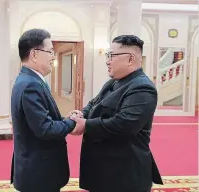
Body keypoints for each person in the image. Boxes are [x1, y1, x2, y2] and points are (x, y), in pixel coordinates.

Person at [70, 35, 163, 192]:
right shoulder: (114, 81)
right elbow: (94, 103)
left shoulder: (142, 88)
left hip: (124, 175)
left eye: (111, 56)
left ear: (130, 59)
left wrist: (85, 124)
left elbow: (124, 125)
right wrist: (81, 114)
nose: (107, 61)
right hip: (105, 170)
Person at [10, 29, 77, 192]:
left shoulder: (28, 80)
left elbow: (40, 117)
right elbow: (45, 129)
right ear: (34, 54)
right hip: (39, 173)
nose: (53, 57)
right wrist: (72, 122)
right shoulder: (31, 84)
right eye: (50, 52)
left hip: (35, 168)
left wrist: (62, 119)